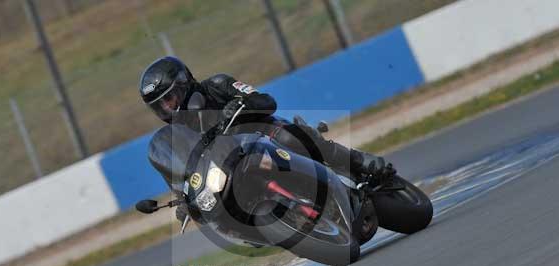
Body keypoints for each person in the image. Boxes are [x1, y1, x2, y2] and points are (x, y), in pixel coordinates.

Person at [139, 56, 396, 222]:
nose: (168, 109)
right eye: (159, 106)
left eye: (169, 99)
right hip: (232, 168)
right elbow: (181, 176)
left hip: (266, 137)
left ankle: (360, 162)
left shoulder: (217, 85)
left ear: (184, 83)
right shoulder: (177, 136)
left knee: (291, 138)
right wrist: (185, 203)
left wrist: (240, 105)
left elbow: (267, 101)